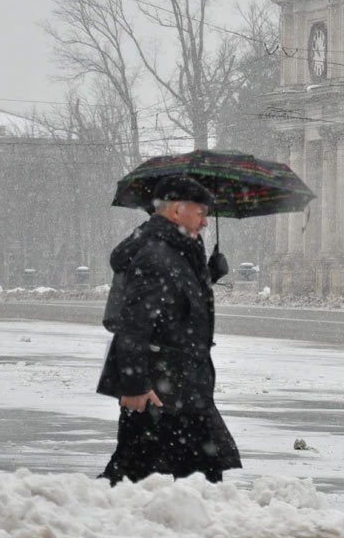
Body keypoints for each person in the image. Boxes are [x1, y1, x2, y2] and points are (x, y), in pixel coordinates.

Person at [97, 175, 241, 485]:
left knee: (173, 476)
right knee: (147, 476)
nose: (204, 223)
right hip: (163, 388)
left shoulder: (178, 251)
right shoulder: (156, 256)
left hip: (180, 383)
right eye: (200, 213)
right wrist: (135, 385)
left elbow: (178, 306)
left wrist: (208, 273)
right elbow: (133, 328)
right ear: (176, 211)